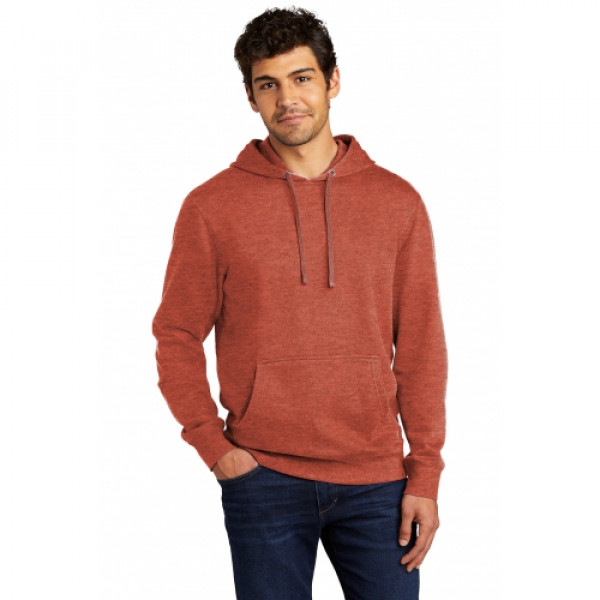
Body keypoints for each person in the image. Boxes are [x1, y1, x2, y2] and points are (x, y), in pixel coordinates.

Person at [152, 7, 447, 599]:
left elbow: (420, 345)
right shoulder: (211, 206)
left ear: (332, 81)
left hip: (378, 479)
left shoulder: (397, 202)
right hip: (263, 476)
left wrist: (426, 473)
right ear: (251, 97)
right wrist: (213, 446)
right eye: (268, 84)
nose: (287, 98)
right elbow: (177, 334)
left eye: (302, 78)